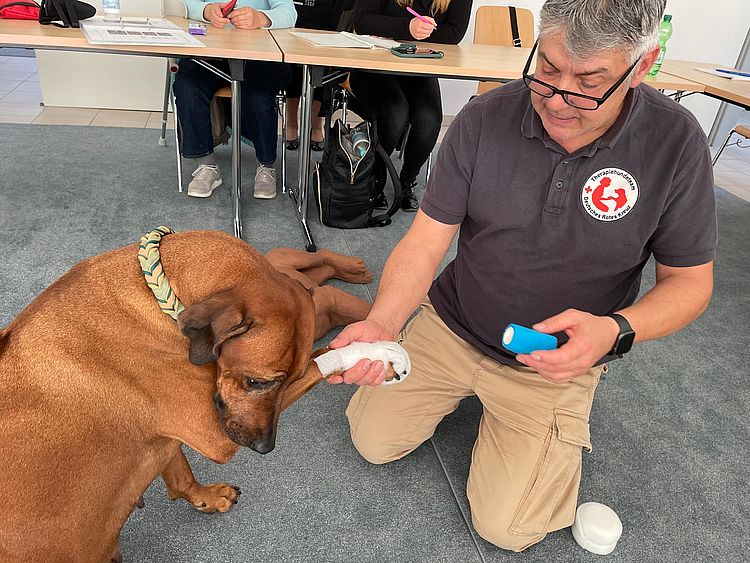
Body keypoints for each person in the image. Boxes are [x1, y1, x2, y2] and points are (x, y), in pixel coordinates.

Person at [327, 0, 716, 552]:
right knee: (372, 442)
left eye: (589, 84)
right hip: (454, 321)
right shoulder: (486, 117)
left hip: (552, 360)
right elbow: (425, 242)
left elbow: (690, 283)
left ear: (642, 66)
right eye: (547, 69)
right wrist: (384, 322)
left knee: (507, 530)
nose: (557, 100)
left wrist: (615, 331)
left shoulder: (675, 142)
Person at [349, 0, 472, 211]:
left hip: (418, 67)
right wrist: (407, 27)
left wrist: (405, 32)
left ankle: (407, 181)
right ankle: (374, 179)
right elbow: (362, 21)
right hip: (374, 64)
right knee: (395, 112)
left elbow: (454, 34)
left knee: (429, 119)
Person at [174, 0, 295, 199]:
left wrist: (261, 18)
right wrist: (206, 10)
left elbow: (289, 13)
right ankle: (205, 164)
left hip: (260, 52)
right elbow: (182, 5)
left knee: (258, 96)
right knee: (187, 86)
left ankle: (266, 166)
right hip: (211, 49)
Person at [284, 0, 352, 152]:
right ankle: (291, 122)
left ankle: (317, 123)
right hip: (294, 25)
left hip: (329, 26)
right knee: (292, 63)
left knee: (323, 68)